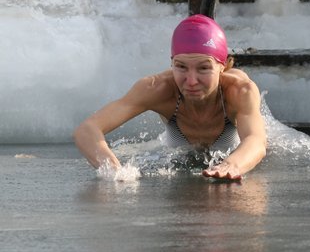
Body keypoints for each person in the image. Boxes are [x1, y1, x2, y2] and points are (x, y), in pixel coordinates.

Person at [74, 14, 267, 180]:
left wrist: (232, 165)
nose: (191, 81)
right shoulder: (157, 88)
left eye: (204, 68)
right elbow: (87, 130)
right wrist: (115, 171)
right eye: (181, 67)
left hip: (233, 152)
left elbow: (256, 141)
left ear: (222, 66)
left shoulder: (239, 91)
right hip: (180, 152)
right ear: (172, 63)